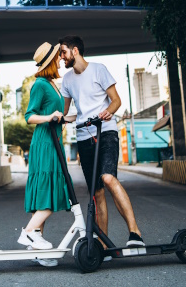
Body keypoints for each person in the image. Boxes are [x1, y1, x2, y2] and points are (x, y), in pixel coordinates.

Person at [59, 35, 145, 252]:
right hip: (83, 137)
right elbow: (67, 112)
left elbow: (116, 100)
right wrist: (56, 119)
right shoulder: (67, 80)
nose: (61, 57)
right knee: (96, 193)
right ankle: (103, 245)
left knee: (107, 177)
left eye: (63, 52)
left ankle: (135, 233)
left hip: (105, 132)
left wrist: (108, 112)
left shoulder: (99, 69)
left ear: (75, 51)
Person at [17, 42, 70, 267]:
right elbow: (29, 116)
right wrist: (50, 118)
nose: (60, 60)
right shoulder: (39, 84)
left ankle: (36, 250)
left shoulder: (52, 84)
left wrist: (69, 118)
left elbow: (56, 113)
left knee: (43, 196)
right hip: (45, 143)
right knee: (49, 194)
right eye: (57, 57)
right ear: (49, 62)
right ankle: (29, 232)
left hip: (54, 141)